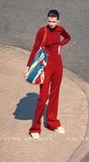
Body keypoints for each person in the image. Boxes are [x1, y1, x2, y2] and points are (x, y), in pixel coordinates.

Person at [25, 9, 71, 140]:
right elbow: (35, 47)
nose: (51, 23)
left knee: (55, 93)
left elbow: (68, 37)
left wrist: (60, 45)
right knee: (43, 97)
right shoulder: (42, 31)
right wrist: (28, 66)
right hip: (45, 66)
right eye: (49, 21)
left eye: (53, 21)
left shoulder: (60, 29)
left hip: (58, 65)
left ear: (58, 20)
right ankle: (35, 128)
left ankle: (52, 123)